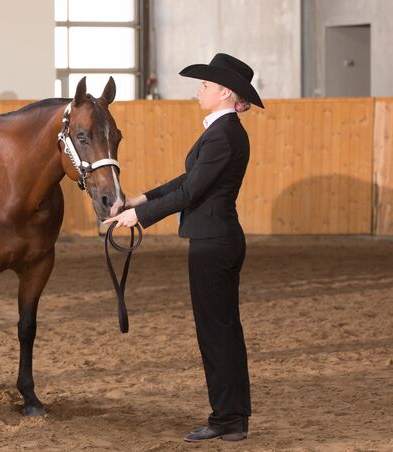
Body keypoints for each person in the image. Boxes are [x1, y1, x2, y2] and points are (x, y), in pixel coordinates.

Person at [105, 53, 264, 442]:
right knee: (220, 330)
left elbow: (191, 191)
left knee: (217, 333)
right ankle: (231, 418)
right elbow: (187, 178)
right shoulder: (220, 132)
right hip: (214, 240)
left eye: (206, 85)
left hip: (214, 244)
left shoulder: (224, 135)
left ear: (226, 92)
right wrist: (138, 200)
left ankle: (228, 420)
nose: (199, 91)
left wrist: (139, 218)